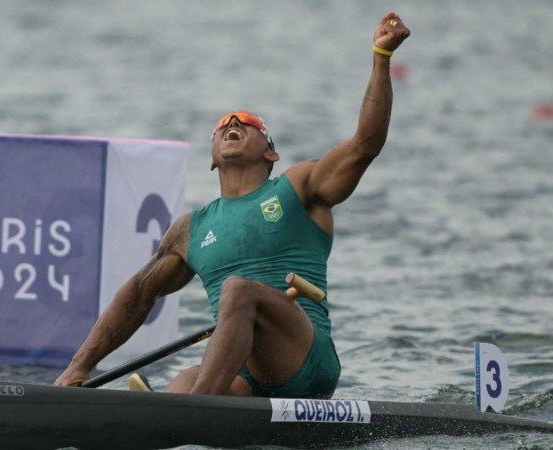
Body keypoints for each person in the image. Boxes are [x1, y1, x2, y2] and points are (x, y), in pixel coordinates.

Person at [55, 12, 410, 397]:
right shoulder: (192, 228)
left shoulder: (299, 187)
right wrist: (79, 367)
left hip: (306, 362)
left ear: (271, 154)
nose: (232, 123)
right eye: (223, 124)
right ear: (212, 157)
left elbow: (365, 144)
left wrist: (380, 57)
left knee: (238, 290)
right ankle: (173, 412)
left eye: (248, 122)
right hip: (243, 376)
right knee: (183, 381)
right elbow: (138, 294)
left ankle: (189, 410)